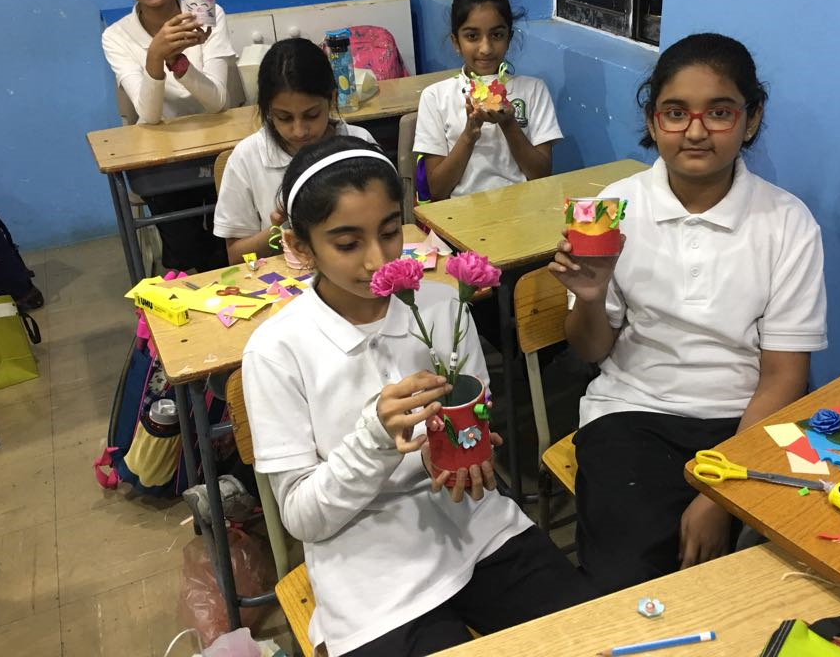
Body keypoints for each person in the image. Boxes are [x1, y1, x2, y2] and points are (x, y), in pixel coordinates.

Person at [241, 137, 595, 657]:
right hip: (368, 570)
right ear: (299, 246)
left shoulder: (440, 307)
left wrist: (462, 452)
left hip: (476, 529)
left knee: (595, 636)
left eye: (389, 233)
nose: (377, 260)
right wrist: (375, 438)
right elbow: (302, 517)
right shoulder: (276, 351)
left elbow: (473, 416)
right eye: (347, 244)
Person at [550, 33, 828, 594]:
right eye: (676, 113)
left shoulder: (787, 222)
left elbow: (784, 376)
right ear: (653, 121)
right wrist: (590, 297)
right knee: (627, 585)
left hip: (744, 420)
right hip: (632, 413)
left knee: (772, 583)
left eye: (719, 113)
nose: (696, 131)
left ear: (751, 119)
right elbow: (590, 350)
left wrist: (720, 490)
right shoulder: (614, 208)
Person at [102, 0, 233, 271]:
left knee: (225, 242)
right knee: (193, 249)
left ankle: (208, 267)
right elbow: (148, 116)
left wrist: (179, 64)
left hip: (219, 148)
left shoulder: (206, 14)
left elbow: (218, 102)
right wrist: (155, 57)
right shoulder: (116, 36)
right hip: (164, 163)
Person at [212, 38, 377, 263]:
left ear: (332, 99)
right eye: (284, 117)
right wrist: (279, 229)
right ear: (267, 110)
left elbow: (388, 225)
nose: (299, 131)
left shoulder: (359, 144)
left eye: (312, 115)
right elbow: (236, 256)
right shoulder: (246, 157)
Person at [413, 0, 562, 199]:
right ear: (456, 42)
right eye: (472, 36)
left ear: (509, 38)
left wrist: (509, 124)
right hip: (460, 212)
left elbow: (542, 175)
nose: (486, 48)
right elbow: (437, 190)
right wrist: (469, 135)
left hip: (522, 209)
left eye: (497, 35)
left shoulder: (534, 90)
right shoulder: (435, 97)